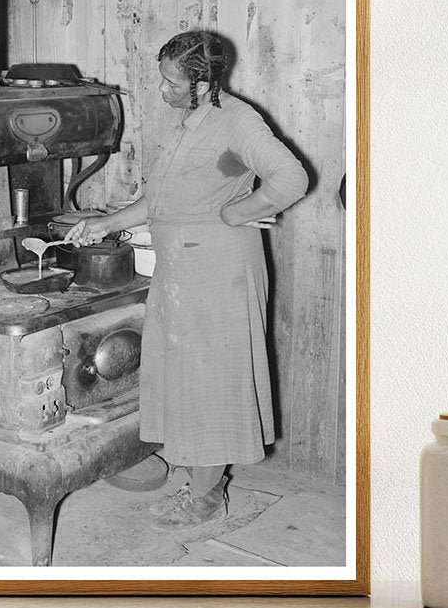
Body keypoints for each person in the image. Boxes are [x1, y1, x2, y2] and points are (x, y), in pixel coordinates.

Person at [65, 30, 308, 532]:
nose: (163, 90)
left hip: (221, 272)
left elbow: (292, 179)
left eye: (171, 83)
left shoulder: (239, 122)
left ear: (201, 84)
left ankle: (206, 498)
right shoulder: (186, 122)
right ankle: (201, 480)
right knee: (185, 379)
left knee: (213, 385)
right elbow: (163, 199)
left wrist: (239, 211)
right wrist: (106, 223)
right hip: (181, 269)